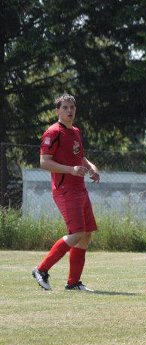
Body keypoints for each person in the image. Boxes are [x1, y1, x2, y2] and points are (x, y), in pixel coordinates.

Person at [32, 93, 100, 292]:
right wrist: (71, 170)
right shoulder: (53, 132)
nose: (69, 111)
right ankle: (41, 270)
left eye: (72, 107)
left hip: (80, 189)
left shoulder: (76, 131)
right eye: (65, 108)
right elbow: (44, 162)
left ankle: (73, 283)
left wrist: (92, 168)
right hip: (64, 191)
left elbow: (81, 157)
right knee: (77, 233)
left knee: (86, 234)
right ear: (57, 111)